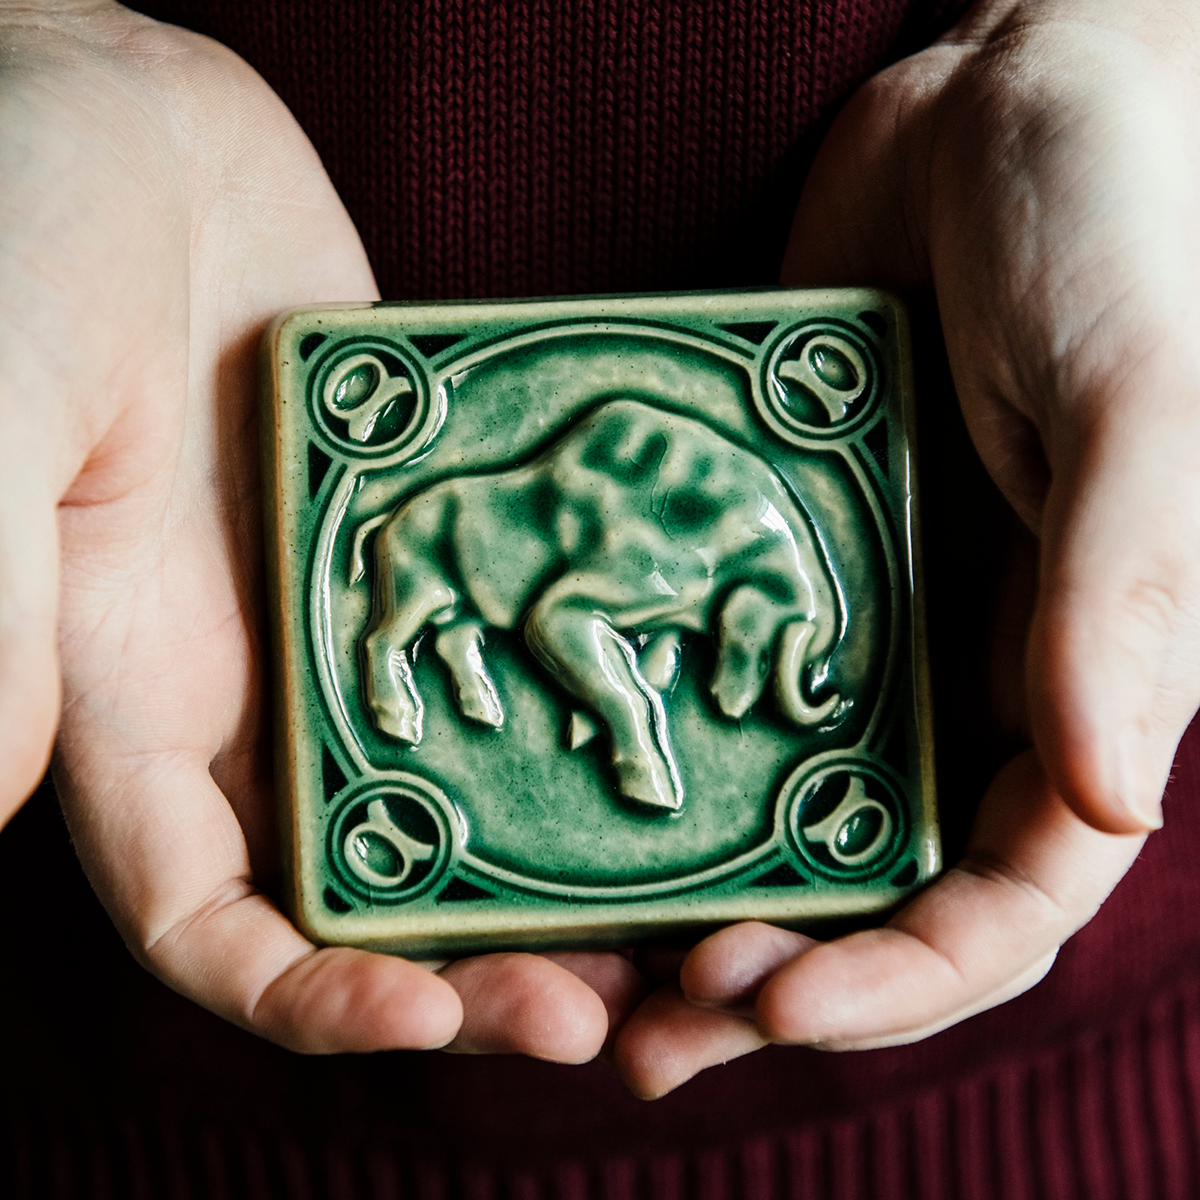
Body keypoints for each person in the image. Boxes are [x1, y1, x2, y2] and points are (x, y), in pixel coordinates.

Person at [0, 0, 1196, 1157]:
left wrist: (1127, 38)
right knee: (414, 623)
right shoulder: (573, 527)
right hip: (103, 1059)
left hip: (1062, 1078)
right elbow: (571, 611)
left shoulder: (709, 542)